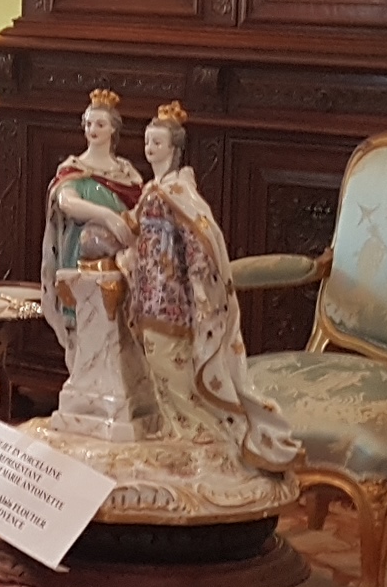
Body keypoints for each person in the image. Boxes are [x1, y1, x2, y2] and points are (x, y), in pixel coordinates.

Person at [121, 102, 302, 473]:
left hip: (172, 299)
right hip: (150, 294)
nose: (149, 148)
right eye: (147, 141)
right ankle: (179, 436)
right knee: (159, 373)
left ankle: (201, 440)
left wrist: (202, 292)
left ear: (173, 148)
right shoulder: (153, 189)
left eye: (157, 143)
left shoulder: (177, 193)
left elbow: (200, 245)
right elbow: (133, 230)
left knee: (173, 373)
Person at [41, 89, 144, 345]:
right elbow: (67, 202)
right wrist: (107, 216)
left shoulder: (126, 173)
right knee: (87, 333)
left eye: (100, 124)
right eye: (88, 124)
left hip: (121, 261)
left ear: (113, 129)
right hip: (81, 259)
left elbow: (140, 209)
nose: (92, 129)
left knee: (119, 334)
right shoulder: (75, 169)